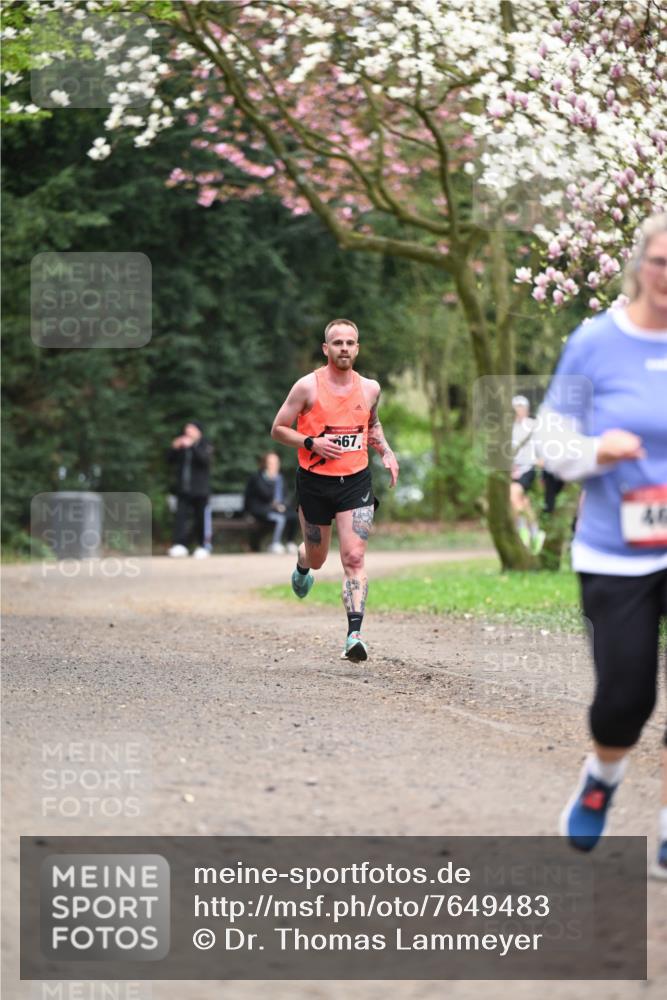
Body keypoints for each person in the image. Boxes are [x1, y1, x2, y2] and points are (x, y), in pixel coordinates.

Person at [535, 214, 667, 878]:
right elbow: (548, 441)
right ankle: (601, 777)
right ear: (639, 264)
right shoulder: (594, 342)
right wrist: (594, 450)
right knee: (625, 696)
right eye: (661, 262)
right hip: (617, 548)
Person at [270, 318, 399, 661]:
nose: (344, 348)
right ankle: (302, 562)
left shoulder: (370, 388)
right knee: (317, 558)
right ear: (326, 349)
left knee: (354, 558)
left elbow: (370, 424)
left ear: (358, 348)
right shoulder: (306, 387)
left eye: (350, 343)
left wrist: (385, 451)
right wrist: (312, 442)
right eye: (337, 343)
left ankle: (353, 635)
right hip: (314, 482)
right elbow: (278, 429)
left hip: (355, 481)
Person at [167, 420, 213, 558]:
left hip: (200, 490)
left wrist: (192, 446)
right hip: (183, 489)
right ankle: (179, 545)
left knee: (200, 519)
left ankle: (203, 546)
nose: (187, 432)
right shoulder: (182, 446)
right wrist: (174, 448)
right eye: (186, 429)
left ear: (198, 431)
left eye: (191, 429)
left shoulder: (205, 444)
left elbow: (204, 460)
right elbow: (169, 460)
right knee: (180, 518)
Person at [244, 452, 299, 554]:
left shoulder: (280, 478)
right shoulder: (257, 478)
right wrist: (275, 504)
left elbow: (285, 495)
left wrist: (283, 504)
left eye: (276, 463)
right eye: (271, 463)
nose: (274, 465)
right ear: (265, 464)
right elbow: (263, 494)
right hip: (261, 508)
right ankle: (275, 543)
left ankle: (290, 542)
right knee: (280, 519)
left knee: (294, 516)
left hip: (278, 508)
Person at [510, 395, 545, 553]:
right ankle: (535, 533)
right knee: (523, 502)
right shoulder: (510, 427)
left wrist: (540, 459)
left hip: (528, 469)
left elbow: (545, 444)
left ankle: (523, 532)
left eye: (521, 406)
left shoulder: (533, 425)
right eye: (516, 406)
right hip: (513, 470)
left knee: (514, 497)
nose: (519, 410)